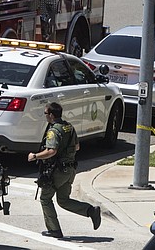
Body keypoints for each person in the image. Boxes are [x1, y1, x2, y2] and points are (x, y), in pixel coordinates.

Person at [28, 102, 101, 239]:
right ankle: (90, 211)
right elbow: (77, 147)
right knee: (63, 200)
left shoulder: (54, 131)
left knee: (45, 199)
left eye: (45, 113)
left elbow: (51, 151)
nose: (45, 116)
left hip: (57, 171)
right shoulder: (69, 127)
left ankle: (54, 230)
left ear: (51, 115)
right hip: (70, 170)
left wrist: (35, 156)